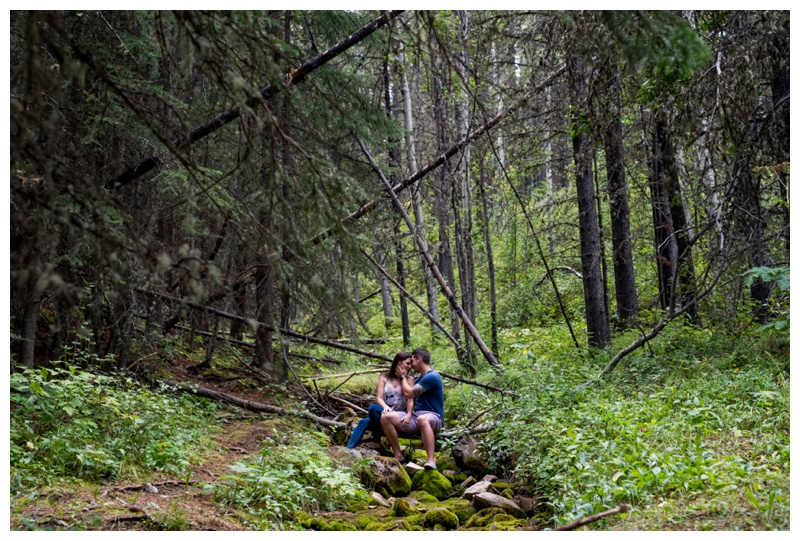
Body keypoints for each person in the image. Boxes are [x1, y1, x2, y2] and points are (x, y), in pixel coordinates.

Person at [379, 347, 444, 470]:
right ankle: (399, 456)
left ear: (419, 359)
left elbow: (409, 394)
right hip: (416, 418)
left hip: (434, 417)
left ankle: (431, 461)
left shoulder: (433, 376)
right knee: (386, 417)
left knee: (423, 419)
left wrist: (403, 377)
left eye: (412, 361)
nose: (411, 366)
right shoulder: (418, 379)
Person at [346, 351, 414, 449]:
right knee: (365, 419)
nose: (410, 366)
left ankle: (376, 441)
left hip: (399, 416)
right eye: (407, 363)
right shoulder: (384, 376)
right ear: (399, 362)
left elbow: (410, 400)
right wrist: (386, 407)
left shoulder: (409, 379)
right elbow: (379, 398)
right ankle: (348, 450)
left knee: (371, 411)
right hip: (385, 412)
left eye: (411, 364)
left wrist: (409, 415)